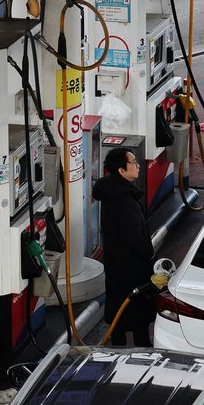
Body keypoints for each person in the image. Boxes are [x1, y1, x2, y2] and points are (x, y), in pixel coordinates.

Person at [92, 147, 155, 346]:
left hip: (115, 265)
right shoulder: (125, 201)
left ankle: (117, 350)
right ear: (121, 171)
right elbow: (133, 237)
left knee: (118, 313)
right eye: (133, 162)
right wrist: (149, 253)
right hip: (132, 270)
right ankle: (143, 355)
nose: (137, 165)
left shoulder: (111, 194)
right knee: (138, 317)